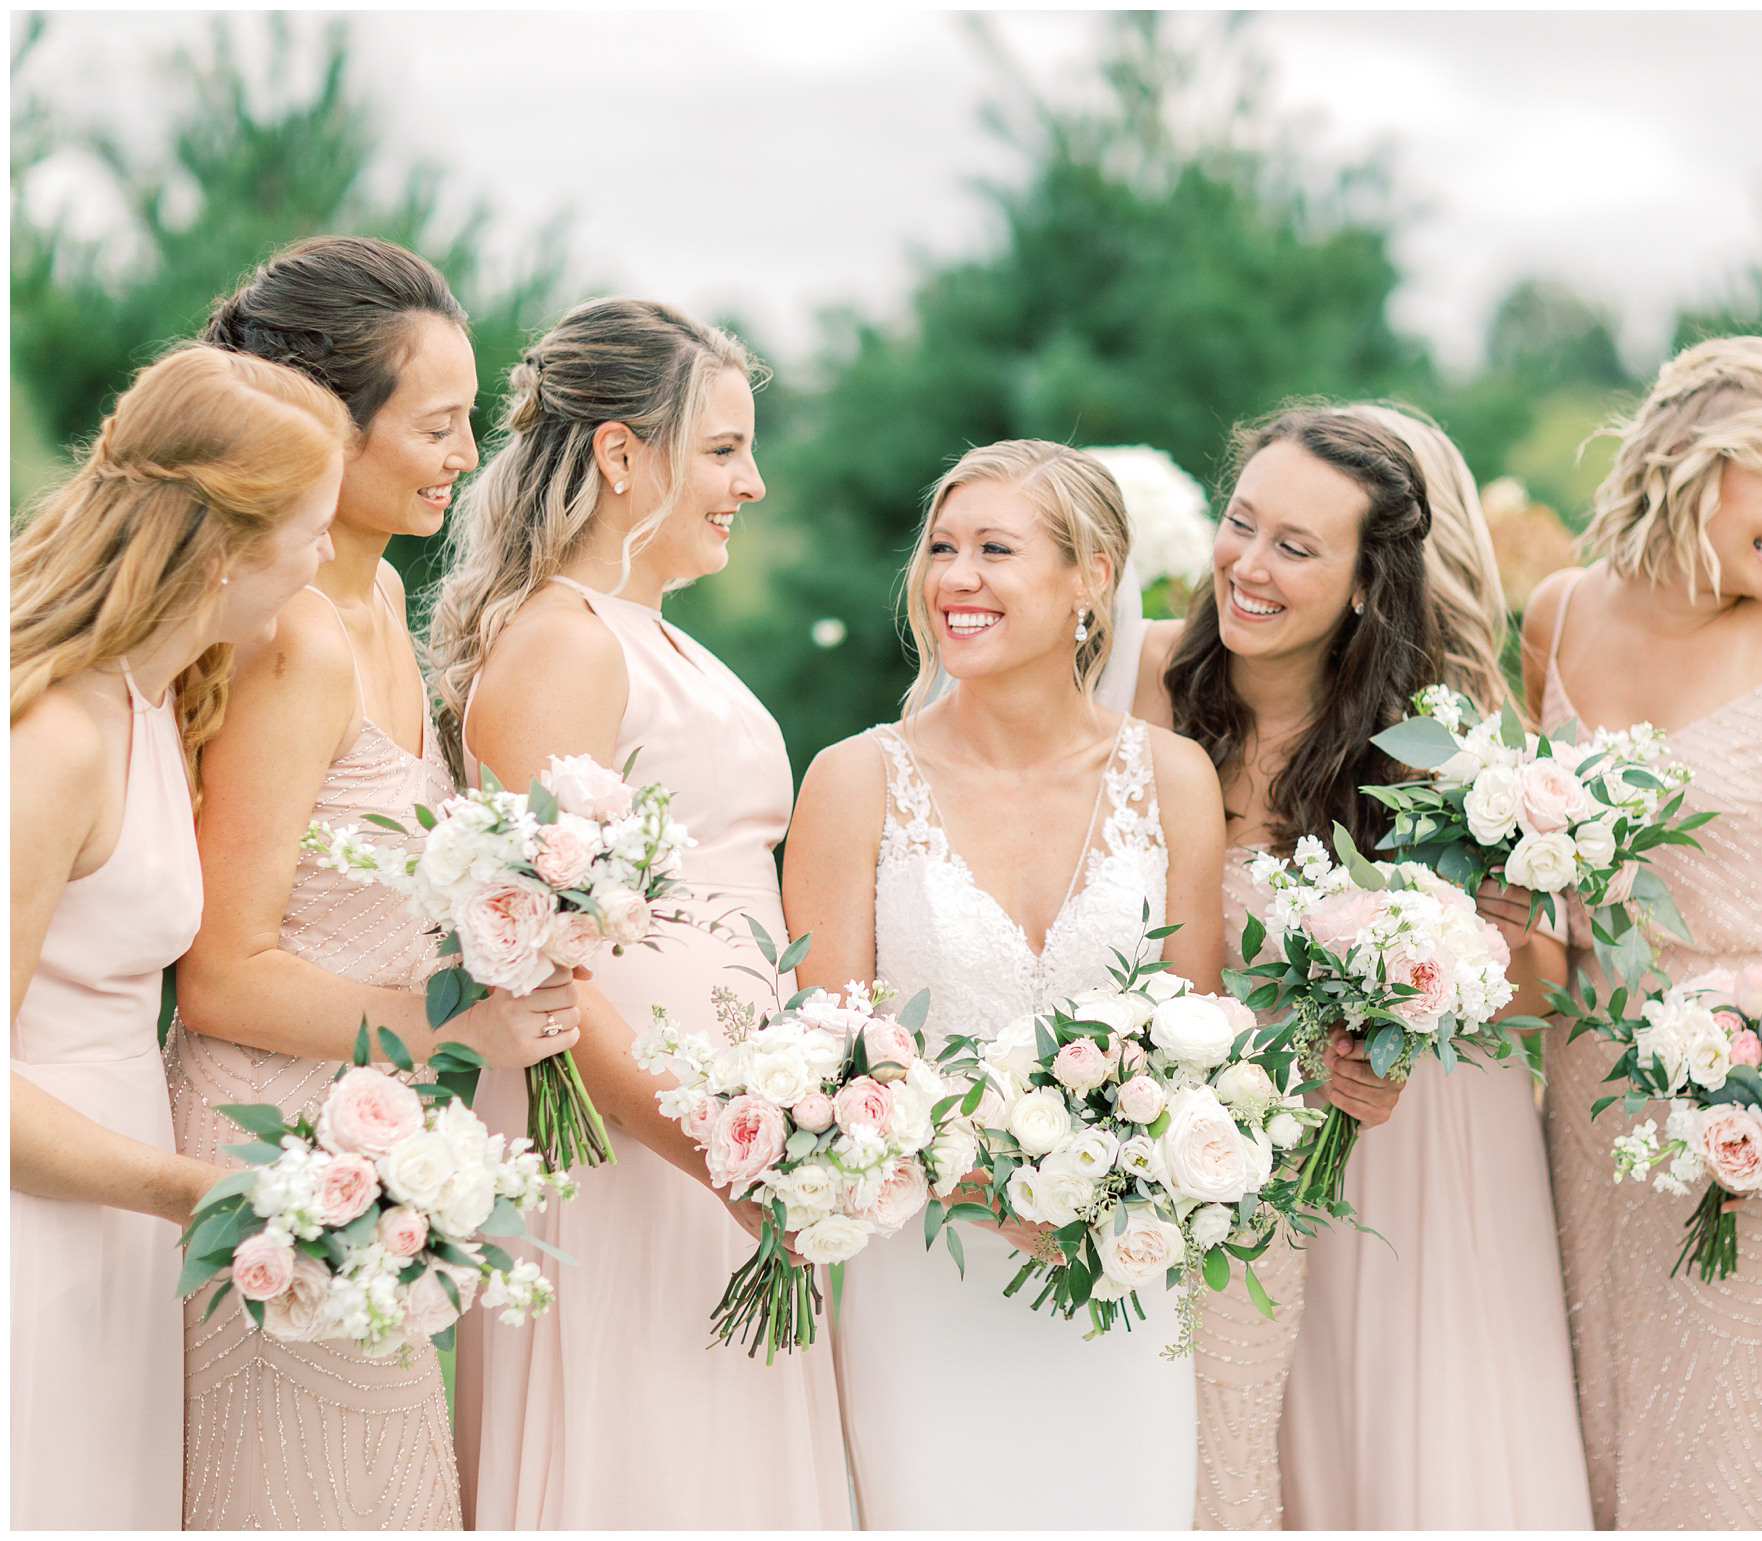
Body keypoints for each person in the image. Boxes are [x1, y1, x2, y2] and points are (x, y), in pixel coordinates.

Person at [164, 237, 580, 1530]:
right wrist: (455, 1023)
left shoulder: (383, 592)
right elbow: (220, 972)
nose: (468, 457)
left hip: (376, 1161)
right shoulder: (290, 638)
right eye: (442, 424)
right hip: (270, 1164)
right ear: (329, 430)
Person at [1112, 403, 1589, 1528]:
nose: (1247, 563)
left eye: (1295, 545)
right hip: (1207, 1146)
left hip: (1406, 1150)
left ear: (1368, 583)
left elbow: (1534, 1006)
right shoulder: (1144, 682)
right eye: (1241, 522)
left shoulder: (1447, 746)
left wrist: (1487, 941)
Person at [436, 297, 849, 1529]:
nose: (754, 482)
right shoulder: (561, 645)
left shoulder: (661, 644)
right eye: (723, 449)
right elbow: (536, 960)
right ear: (623, 455)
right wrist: (717, 1150)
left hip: (719, 1142)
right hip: (621, 1147)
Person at [783, 439, 1226, 1529]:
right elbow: (821, 1064)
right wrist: (993, 1194)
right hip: (925, 1276)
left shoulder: (1171, 778)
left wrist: (1105, 1189)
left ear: (1091, 578)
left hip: (1115, 1277)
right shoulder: (852, 781)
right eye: (940, 548)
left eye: (993, 549)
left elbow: (1201, 1043)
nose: (954, 579)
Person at [1521, 335, 1762, 1528]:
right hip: (1594, 1102)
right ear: (1695, 460)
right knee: (1609, 1432)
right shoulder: (1553, 615)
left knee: (1751, 1451)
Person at [11, 343, 350, 1529]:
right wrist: (188, 1186)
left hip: (117, 1192)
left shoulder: (161, 698)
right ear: (222, 549)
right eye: (310, 527)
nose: (325, 552)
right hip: (41, 1209)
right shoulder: (54, 738)